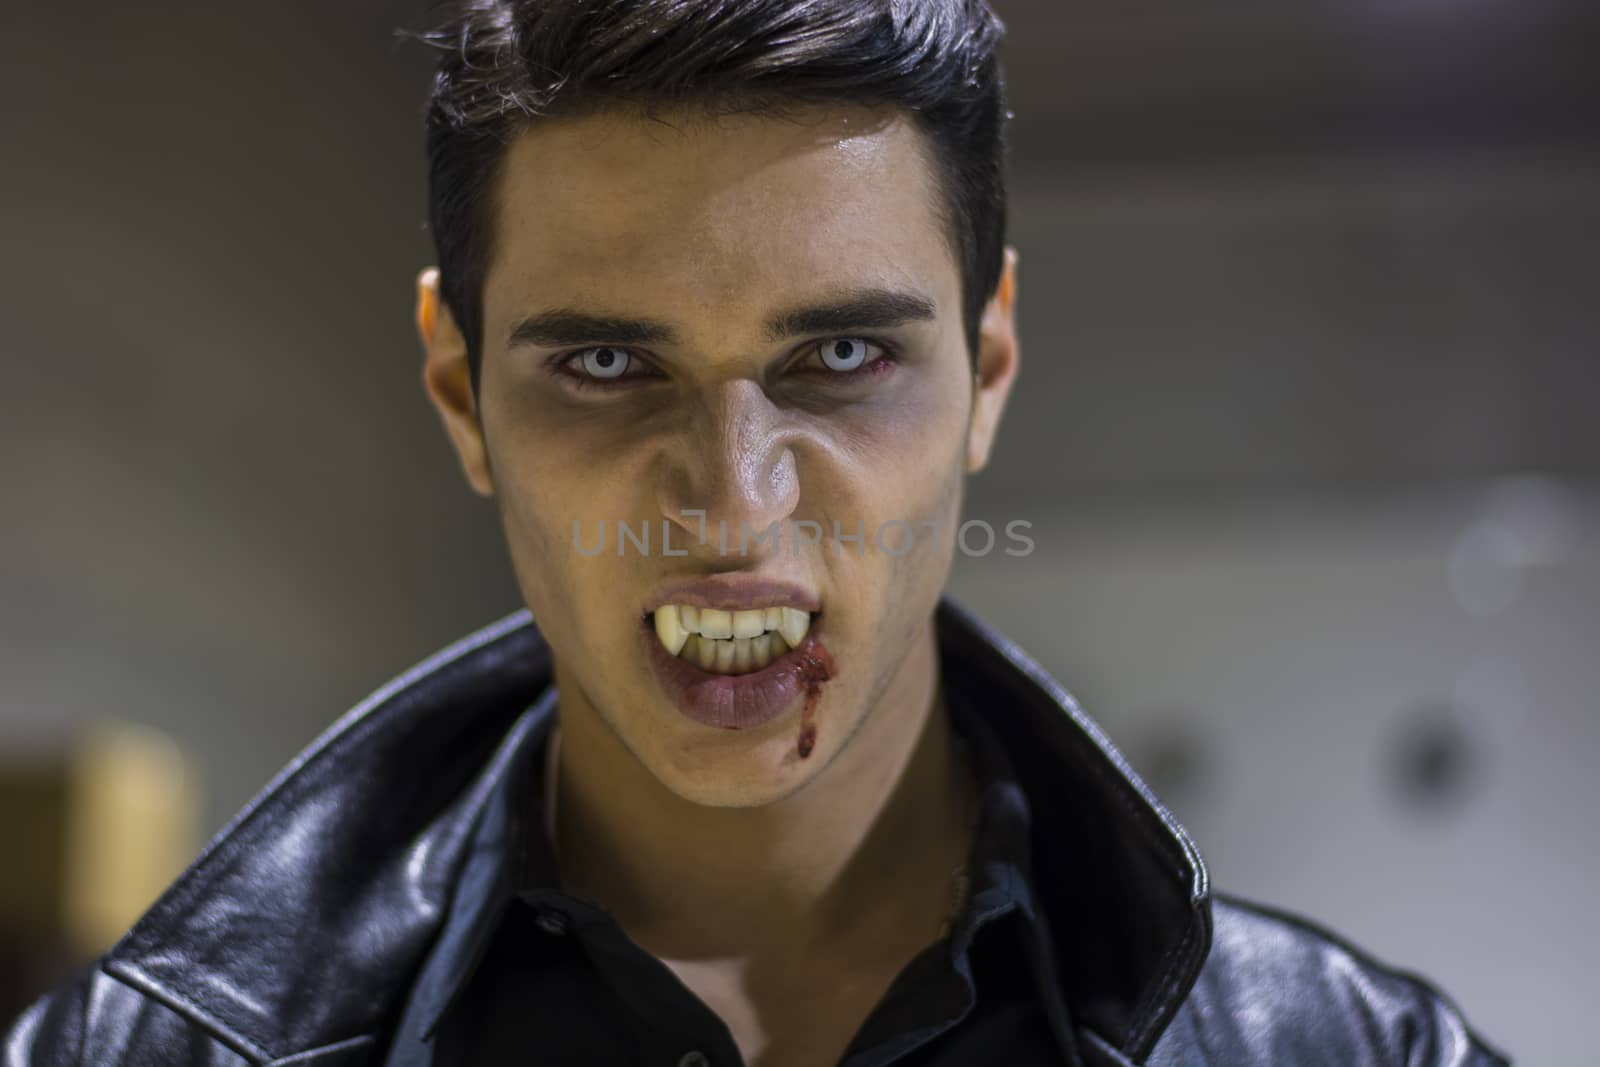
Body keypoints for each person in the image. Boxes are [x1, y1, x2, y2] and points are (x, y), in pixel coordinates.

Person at [4, 1, 1510, 1064]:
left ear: (986, 369)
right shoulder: (141, 1055)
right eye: (606, 365)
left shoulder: (1357, 1053)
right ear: (463, 393)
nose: (732, 500)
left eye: (840, 360)